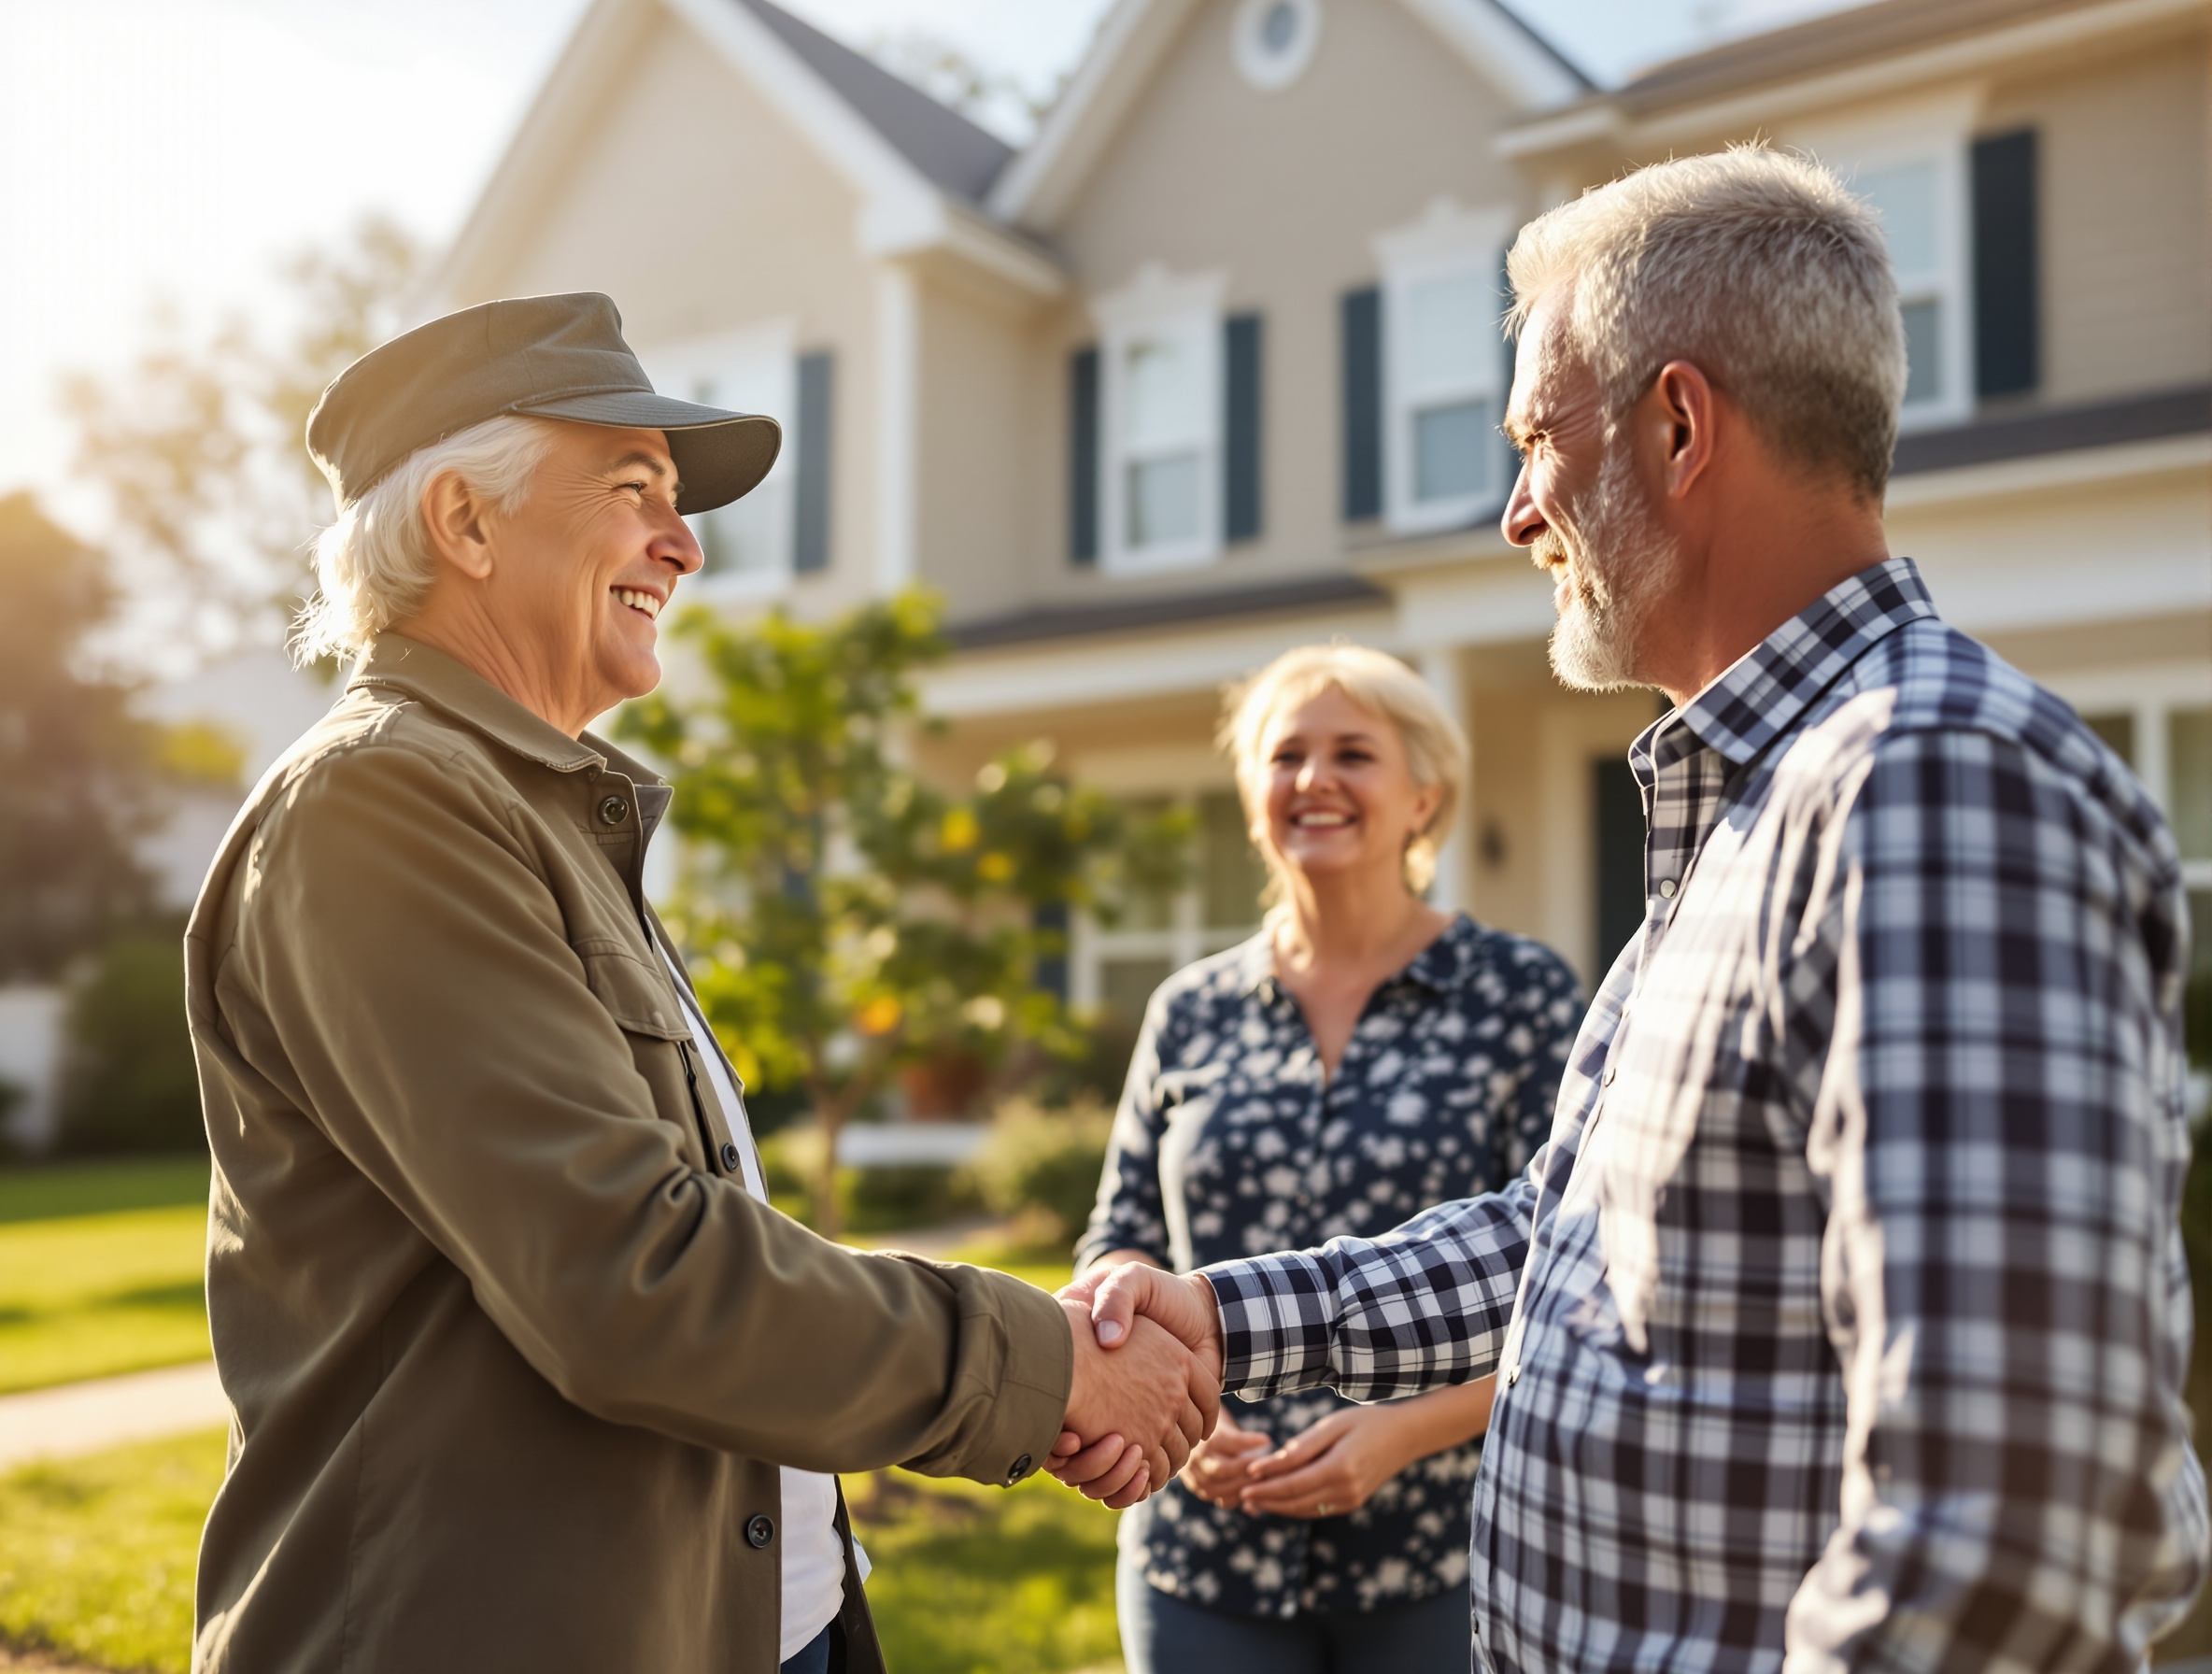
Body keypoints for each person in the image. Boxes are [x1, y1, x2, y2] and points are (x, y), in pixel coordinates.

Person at [1056, 147, 2211, 1670]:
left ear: (1677, 427)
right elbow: (1576, 1234)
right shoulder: (1755, 801)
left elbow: (2004, 1530)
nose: (1515, 514)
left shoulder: (1926, 788)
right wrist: (1227, 1316)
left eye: (1537, 439)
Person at [185, 292, 1214, 1674]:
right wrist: (1047, 1365)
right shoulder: (382, 806)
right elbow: (633, 1276)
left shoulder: (533, 810)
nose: (685, 545)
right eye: (633, 490)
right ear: (463, 521)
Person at [1073, 644, 1582, 1674]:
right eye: (1284, 756)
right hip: (1200, 1554)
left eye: (1354, 753)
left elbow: (1568, 1265)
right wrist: (1163, 1394)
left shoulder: (1520, 994)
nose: (1313, 779)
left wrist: (1404, 1431)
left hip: (1440, 1550)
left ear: (1424, 796)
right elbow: (1119, 1232)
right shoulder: (1190, 1009)